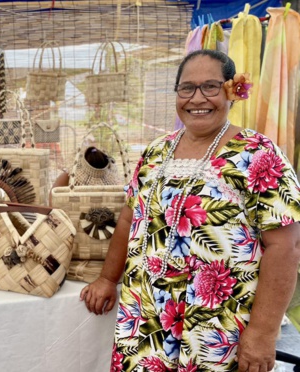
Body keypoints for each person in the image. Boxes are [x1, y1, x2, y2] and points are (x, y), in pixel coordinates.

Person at [80, 49, 300, 372]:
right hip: (145, 323)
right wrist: (106, 279)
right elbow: (130, 217)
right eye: (187, 88)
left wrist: (263, 333)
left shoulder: (258, 154)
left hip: (216, 330)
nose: (197, 98)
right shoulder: (156, 153)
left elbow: (286, 246)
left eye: (210, 87)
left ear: (231, 91)